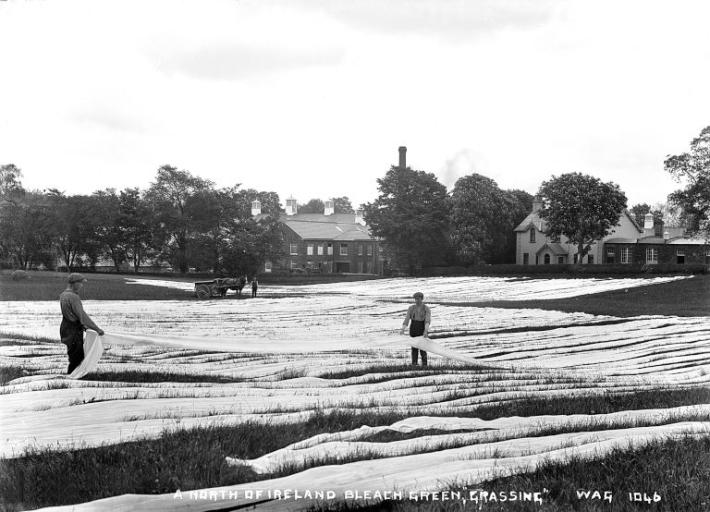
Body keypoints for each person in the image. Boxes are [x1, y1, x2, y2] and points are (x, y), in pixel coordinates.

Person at [59, 273, 104, 374]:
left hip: (65, 327)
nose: (81, 286)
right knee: (77, 357)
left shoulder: (63, 295)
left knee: (73, 354)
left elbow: (71, 313)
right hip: (73, 329)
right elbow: (82, 316)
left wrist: (83, 325)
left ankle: (74, 376)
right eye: (80, 283)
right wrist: (97, 329)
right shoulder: (73, 297)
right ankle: (73, 377)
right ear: (74, 283)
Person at [400, 291, 431, 366]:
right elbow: (407, 319)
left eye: (418, 299)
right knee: (414, 348)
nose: (417, 300)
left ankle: (424, 365)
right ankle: (414, 364)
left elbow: (427, 320)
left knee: (423, 348)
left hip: (422, 328)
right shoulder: (411, 308)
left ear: (422, 299)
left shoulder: (426, 308)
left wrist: (425, 331)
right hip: (413, 328)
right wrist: (403, 329)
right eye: (415, 299)